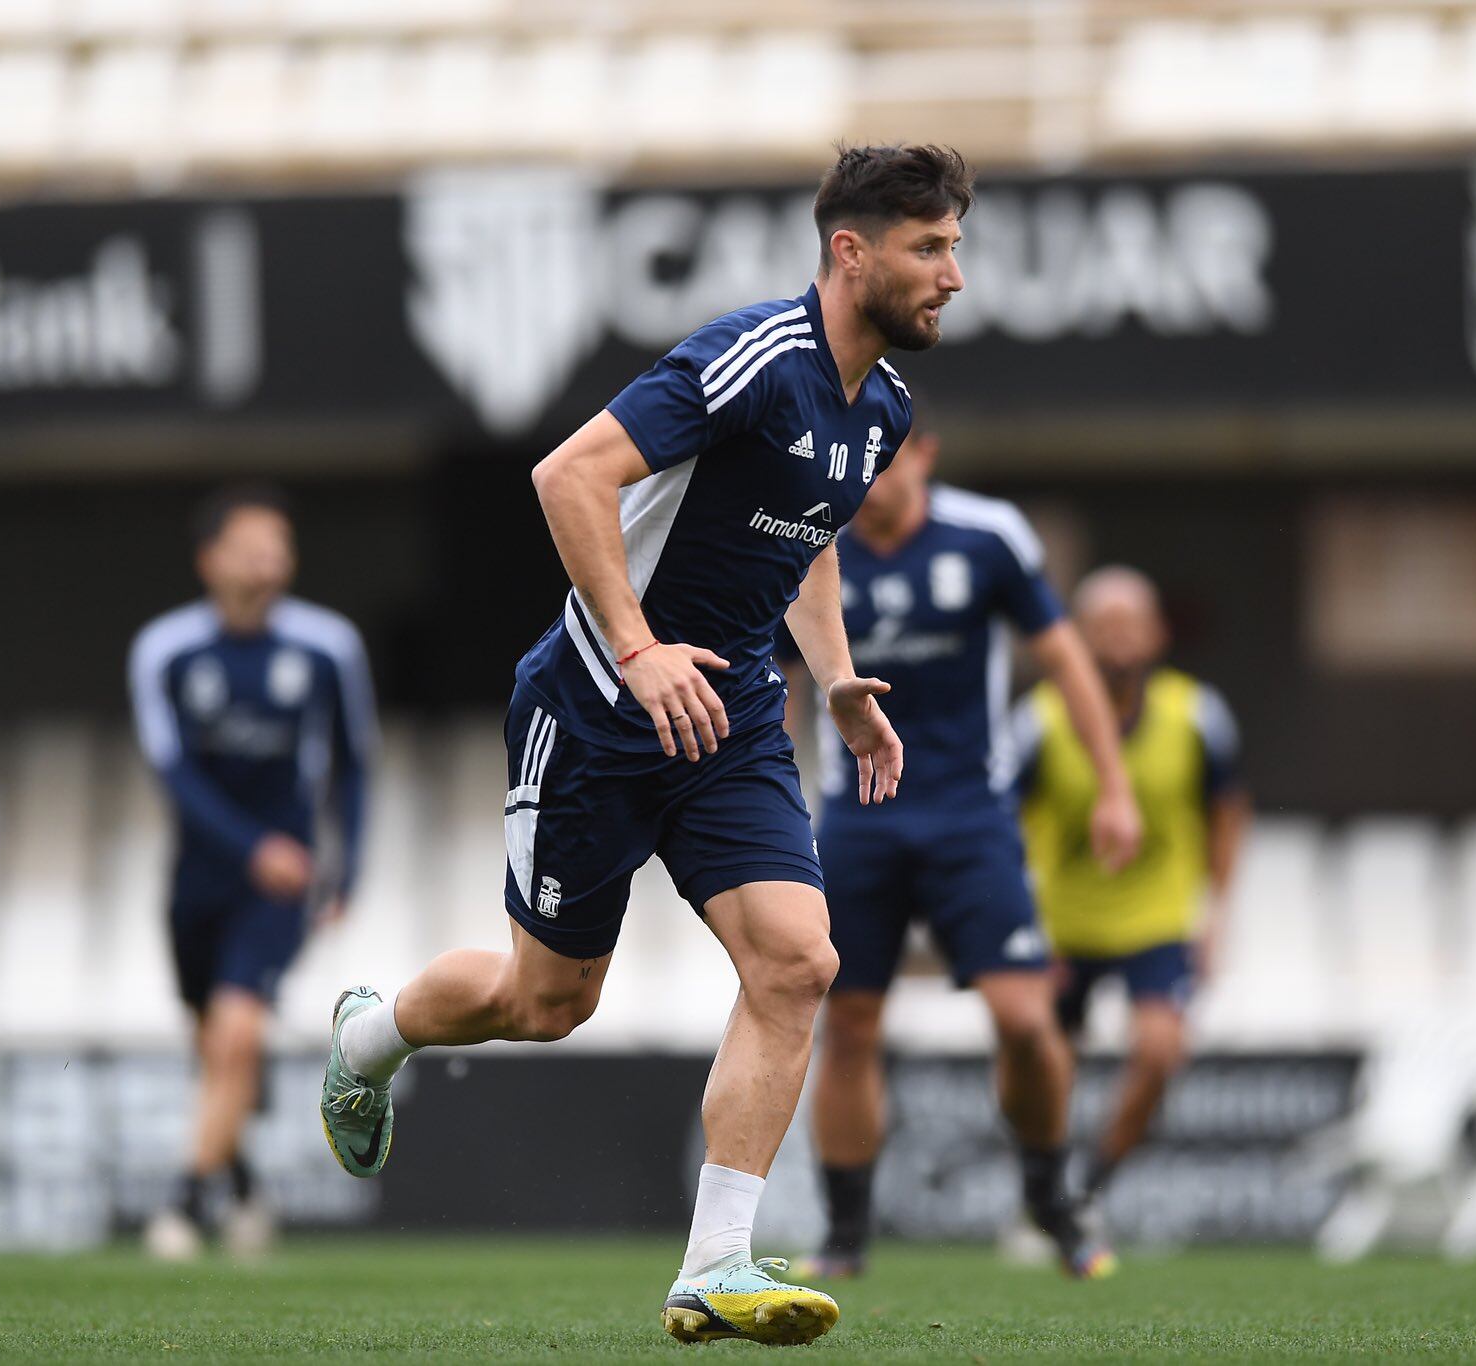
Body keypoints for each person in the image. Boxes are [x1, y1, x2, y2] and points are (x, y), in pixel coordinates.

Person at [317, 145, 973, 1347]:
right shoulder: (753, 358)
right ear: (850, 251)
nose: (953, 275)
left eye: (954, 246)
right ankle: (372, 1036)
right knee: (545, 999)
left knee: (797, 962)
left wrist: (831, 680)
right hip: (596, 710)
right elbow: (567, 473)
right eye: (930, 247)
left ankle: (713, 1265)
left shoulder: (880, 408)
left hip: (729, 723)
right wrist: (635, 649)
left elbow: (808, 533)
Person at [796, 431, 1141, 1280]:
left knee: (1026, 1021)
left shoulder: (988, 537)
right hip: (857, 817)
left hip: (970, 817)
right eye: (859, 462)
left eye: (889, 459)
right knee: (847, 1027)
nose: (871, 479)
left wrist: (1113, 784)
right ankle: (845, 1235)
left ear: (925, 456)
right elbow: (773, 683)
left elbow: (1066, 661)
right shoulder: (809, 540)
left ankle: (1049, 1197)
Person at [129, 483, 375, 1260]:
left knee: (236, 1036)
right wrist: (247, 849)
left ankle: (180, 1201)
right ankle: (240, 1184)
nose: (270, 557)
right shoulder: (165, 650)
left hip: (284, 882)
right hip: (198, 881)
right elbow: (173, 773)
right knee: (215, 1046)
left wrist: (348, 871)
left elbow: (355, 765)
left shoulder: (328, 646)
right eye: (251, 543)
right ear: (211, 559)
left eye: (280, 543)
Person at [1018, 566, 1248, 1216]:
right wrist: (1025, 922)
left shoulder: (1198, 714)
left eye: (1130, 623)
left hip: (1160, 915)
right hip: (1063, 919)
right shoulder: (1039, 720)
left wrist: (1216, 913)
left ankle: (1091, 1184)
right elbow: (1005, 825)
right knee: (1041, 1061)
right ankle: (1045, 1183)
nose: (1118, 638)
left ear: (1157, 635)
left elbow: (1229, 814)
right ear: (1077, 637)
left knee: (1159, 1048)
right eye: (1102, 625)